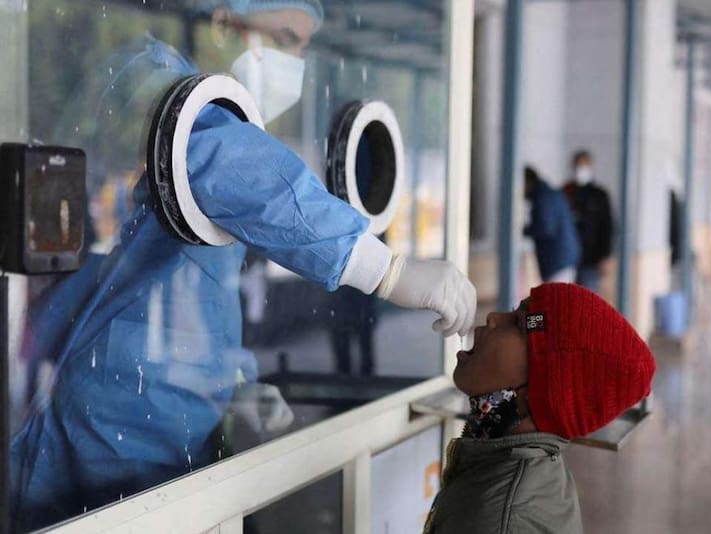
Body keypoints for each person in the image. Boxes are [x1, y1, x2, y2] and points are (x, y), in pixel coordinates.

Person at [9, 2, 476, 531]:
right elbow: (219, 159)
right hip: (112, 416)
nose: (294, 62)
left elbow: (201, 291)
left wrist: (232, 379)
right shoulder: (155, 78)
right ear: (224, 24)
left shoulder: (225, 130)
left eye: (302, 46)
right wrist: (385, 270)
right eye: (284, 38)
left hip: (164, 419)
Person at [423, 283, 656, 533]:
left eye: (518, 324)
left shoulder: (500, 521)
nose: (493, 317)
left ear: (537, 394)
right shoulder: (525, 469)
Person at [563, 150, 615, 293]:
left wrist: (606, 256)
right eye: (578, 165)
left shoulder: (599, 195)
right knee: (566, 298)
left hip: (591, 259)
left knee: (587, 297)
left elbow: (607, 226)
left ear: (591, 167)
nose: (580, 169)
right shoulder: (566, 191)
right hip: (567, 259)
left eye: (584, 166)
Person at [523, 166, 581, 283]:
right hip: (563, 258)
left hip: (557, 260)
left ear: (527, 182)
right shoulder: (548, 193)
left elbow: (545, 228)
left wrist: (521, 230)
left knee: (555, 293)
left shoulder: (543, 197)